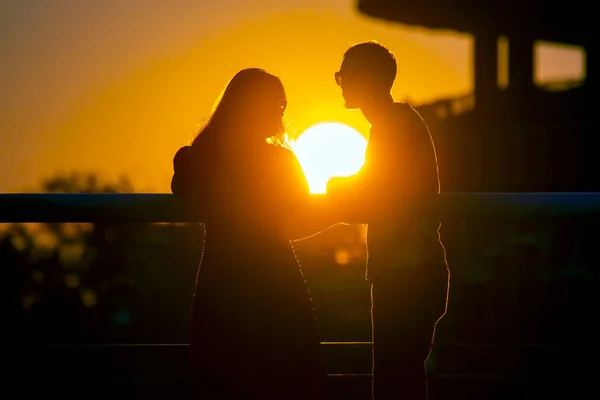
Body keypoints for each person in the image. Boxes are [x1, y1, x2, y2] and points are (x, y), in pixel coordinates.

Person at [171, 68, 334, 399]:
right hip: (277, 283)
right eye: (277, 105)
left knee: (223, 373)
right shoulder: (281, 161)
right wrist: (341, 204)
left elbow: (184, 192)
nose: (281, 113)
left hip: (222, 283)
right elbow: (300, 218)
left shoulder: (196, 158)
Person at [327, 42, 450, 400]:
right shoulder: (397, 123)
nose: (341, 84)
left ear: (368, 79)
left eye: (345, 76)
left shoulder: (393, 126)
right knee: (402, 377)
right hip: (412, 268)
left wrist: (337, 187)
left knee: (394, 380)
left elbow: (377, 191)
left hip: (406, 270)